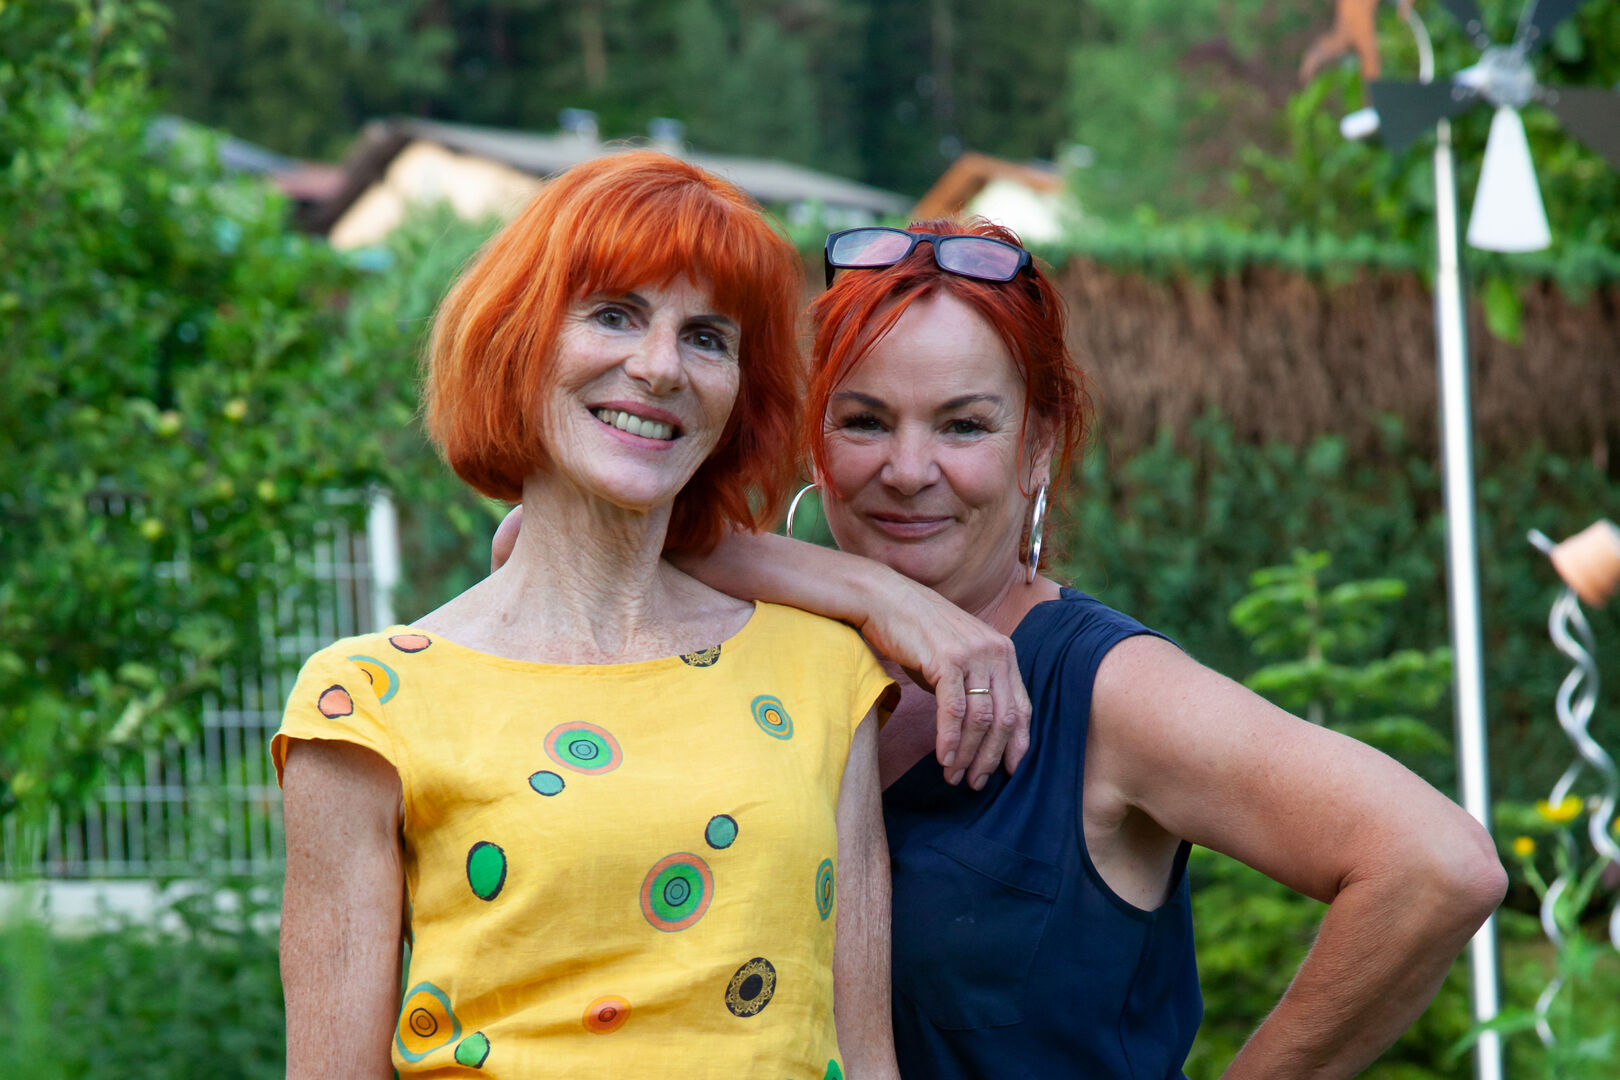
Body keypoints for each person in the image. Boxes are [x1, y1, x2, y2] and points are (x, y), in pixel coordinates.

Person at [495, 218, 1508, 1078]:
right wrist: (865, 589)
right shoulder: (769, 652)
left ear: (1037, 445)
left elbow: (1434, 865)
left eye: (964, 426)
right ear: (816, 439)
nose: (906, 469)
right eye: (864, 420)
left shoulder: (1104, 688)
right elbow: (530, 545)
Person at [274, 153, 915, 1080]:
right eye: (614, 315)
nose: (659, 367)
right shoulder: (371, 701)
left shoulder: (822, 673)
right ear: (516, 340)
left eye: (707, 337)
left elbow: (864, 1058)